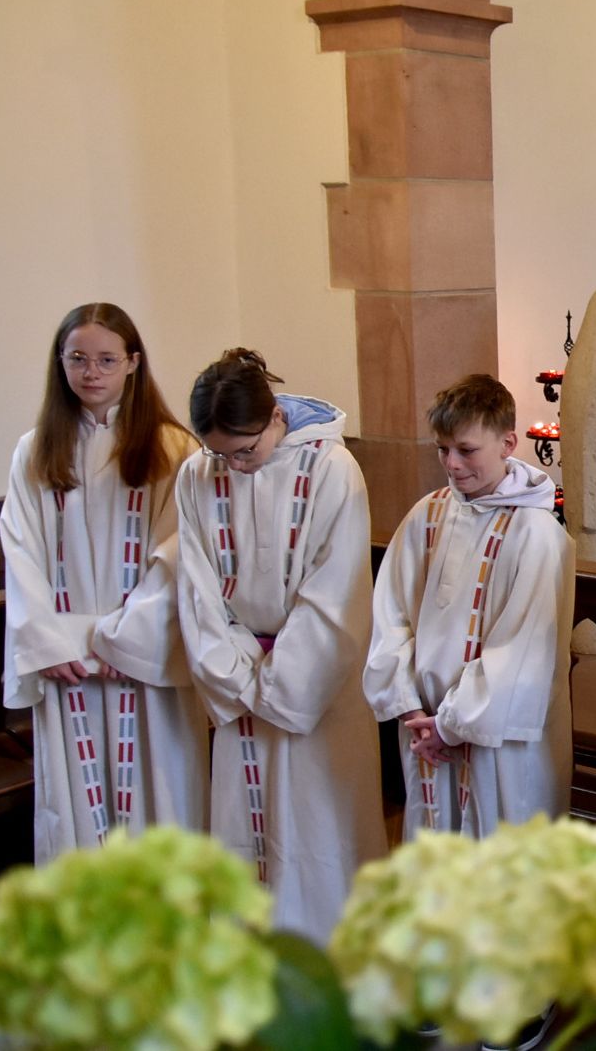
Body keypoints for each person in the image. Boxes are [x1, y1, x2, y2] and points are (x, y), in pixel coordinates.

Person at [157, 348, 382, 939]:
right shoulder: (198, 475)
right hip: (242, 682)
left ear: (275, 418)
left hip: (316, 688)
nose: (234, 466)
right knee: (245, 836)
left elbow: (337, 591)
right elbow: (198, 589)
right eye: (219, 453)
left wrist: (282, 683)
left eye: (245, 450)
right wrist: (236, 675)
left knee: (318, 830)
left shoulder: (332, 468)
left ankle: (333, 971)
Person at [4, 304, 203, 863]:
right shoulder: (35, 450)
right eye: (77, 359)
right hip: (68, 660)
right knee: (76, 806)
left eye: (106, 360)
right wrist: (49, 641)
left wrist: (129, 639)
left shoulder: (173, 449)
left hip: (142, 657)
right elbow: (20, 550)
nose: (91, 372)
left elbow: (181, 550)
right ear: (60, 364)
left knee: (160, 792)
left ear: (133, 363)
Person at [364, 374, 573, 840]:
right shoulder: (427, 515)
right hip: (424, 729)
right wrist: (407, 709)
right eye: (442, 450)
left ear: (507, 443)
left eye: (466, 449)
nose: (452, 465)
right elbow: (390, 613)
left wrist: (451, 724)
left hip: (494, 741)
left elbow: (521, 653)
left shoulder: (536, 534)